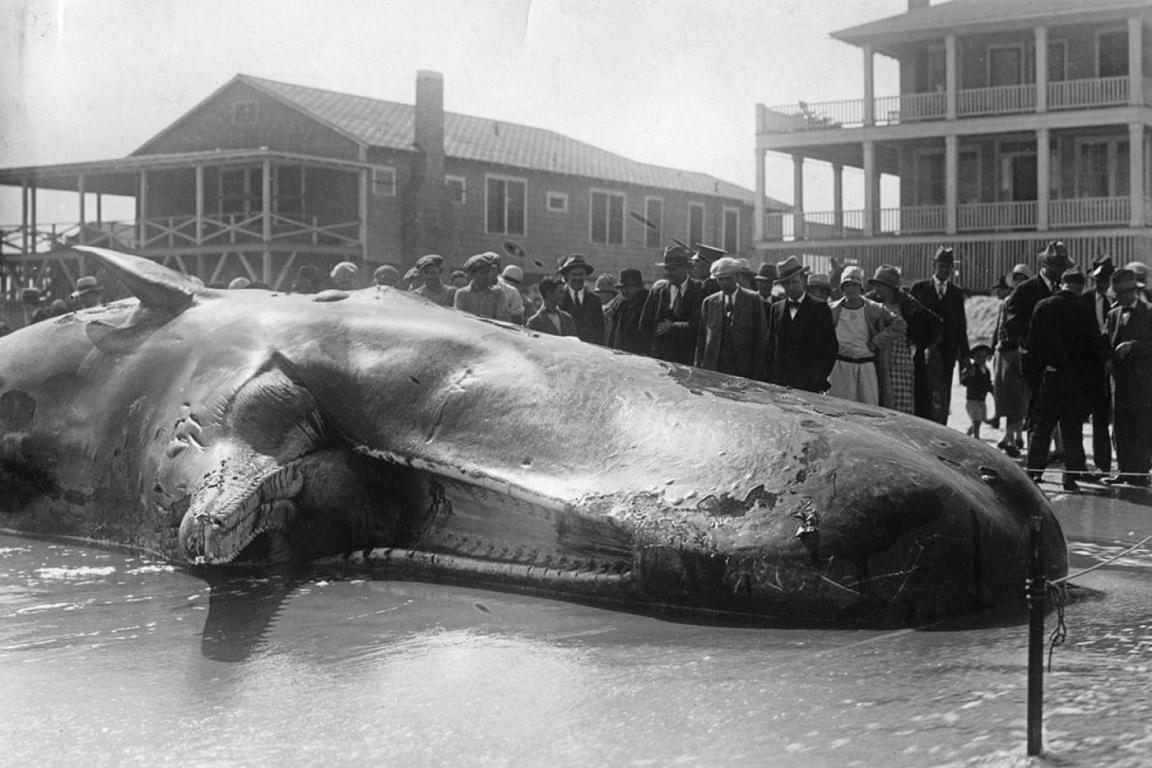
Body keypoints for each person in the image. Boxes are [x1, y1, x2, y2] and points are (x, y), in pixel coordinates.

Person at [1024, 267, 1103, 492]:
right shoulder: (1084, 309)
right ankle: (1070, 478)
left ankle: (1034, 473)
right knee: (1072, 429)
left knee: (1042, 427)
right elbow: (1092, 349)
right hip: (1075, 380)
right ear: (1079, 287)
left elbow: (1032, 348)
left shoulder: (1043, 306)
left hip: (1049, 377)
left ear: (1061, 284)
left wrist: (1035, 379)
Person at [1002, 241, 1074, 452]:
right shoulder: (1026, 290)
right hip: (1035, 363)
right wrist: (1033, 342)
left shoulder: (1065, 291)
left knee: (1061, 411)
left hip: (1062, 363)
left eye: (1063, 267)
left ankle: (1057, 452)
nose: (1061, 271)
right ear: (1046, 265)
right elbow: (1012, 324)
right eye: (1057, 267)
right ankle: (1035, 462)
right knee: (1037, 413)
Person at [865, 264, 940, 416]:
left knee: (901, 410)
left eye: (881, 286)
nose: (877, 290)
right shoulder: (870, 302)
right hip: (877, 362)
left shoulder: (906, 304)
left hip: (900, 366)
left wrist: (916, 342)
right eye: (876, 285)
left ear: (891, 288)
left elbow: (935, 324)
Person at [1103, 268, 1152, 487]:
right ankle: (1125, 469)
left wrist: (1134, 346)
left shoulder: (1149, 312)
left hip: (1143, 384)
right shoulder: (1113, 314)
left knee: (1142, 427)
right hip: (1120, 383)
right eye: (1118, 295)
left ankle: (1141, 473)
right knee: (1121, 427)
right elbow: (1105, 340)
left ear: (1133, 292)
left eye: (1124, 294)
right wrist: (1107, 359)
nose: (1121, 298)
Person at [827, 267, 903, 405]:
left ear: (861, 288)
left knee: (868, 409)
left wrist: (877, 341)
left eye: (854, 285)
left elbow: (899, 324)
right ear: (842, 289)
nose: (851, 289)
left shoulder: (873, 308)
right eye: (847, 285)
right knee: (838, 409)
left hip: (865, 366)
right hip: (840, 367)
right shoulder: (832, 310)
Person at [910, 246, 969, 424]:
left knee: (943, 396)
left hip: (947, 354)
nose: (944, 270)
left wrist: (965, 355)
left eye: (948, 267)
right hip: (923, 352)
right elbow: (911, 321)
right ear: (934, 265)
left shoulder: (956, 293)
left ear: (952, 268)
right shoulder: (919, 289)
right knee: (923, 393)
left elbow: (961, 326)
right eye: (941, 265)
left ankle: (941, 428)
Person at [765, 255, 837, 392]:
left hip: (809, 382)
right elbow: (770, 345)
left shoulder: (820, 308)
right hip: (780, 382)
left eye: (794, 282)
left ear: (803, 280)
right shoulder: (776, 308)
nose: (790, 287)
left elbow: (830, 347)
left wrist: (819, 377)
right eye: (786, 284)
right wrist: (770, 376)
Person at [694, 257, 767, 380]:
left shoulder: (752, 299)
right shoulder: (709, 303)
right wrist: (698, 368)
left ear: (737, 277)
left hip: (743, 369)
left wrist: (757, 372)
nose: (724, 283)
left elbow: (761, 338)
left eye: (728, 279)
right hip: (714, 369)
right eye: (720, 280)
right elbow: (701, 340)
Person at [639, 245, 705, 365]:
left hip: (687, 359)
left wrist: (673, 326)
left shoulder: (698, 290)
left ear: (686, 269)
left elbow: (697, 325)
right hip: (660, 358)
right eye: (667, 269)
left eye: (673, 269)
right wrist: (652, 350)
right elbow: (645, 324)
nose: (669, 273)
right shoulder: (658, 291)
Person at [1081, 255, 1114, 476]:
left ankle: (1103, 464)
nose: (1102, 283)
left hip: (1108, 369)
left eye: (1106, 279)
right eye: (1099, 279)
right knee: (1078, 416)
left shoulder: (1115, 301)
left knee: (1102, 418)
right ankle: (1078, 463)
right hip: (1086, 367)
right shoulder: (1083, 300)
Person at [557, 253, 604, 344]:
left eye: (581, 274)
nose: (578, 278)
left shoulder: (595, 300)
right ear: (567, 276)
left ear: (586, 275)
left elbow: (599, 333)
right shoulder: (559, 298)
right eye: (574, 274)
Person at [453, 253, 510, 321]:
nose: (487, 276)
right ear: (473, 275)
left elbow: (503, 319)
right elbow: (460, 319)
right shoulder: (462, 294)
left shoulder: (498, 293)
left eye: (488, 272)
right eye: (482, 273)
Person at [606, 269, 649, 354]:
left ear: (639, 287)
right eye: (622, 288)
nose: (624, 291)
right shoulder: (621, 304)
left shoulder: (647, 304)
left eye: (628, 287)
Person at [961, 344, 994, 439]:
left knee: (980, 420)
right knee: (977, 421)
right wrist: (969, 375)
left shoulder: (986, 371)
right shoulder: (971, 369)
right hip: (972, 399)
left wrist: (993, 391)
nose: (982, 359)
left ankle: (967, 435)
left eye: (984, 357)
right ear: (974, 357)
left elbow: (988, 384)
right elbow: (964, 381)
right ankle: (976, 439)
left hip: (981, 399)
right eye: (979, 357)